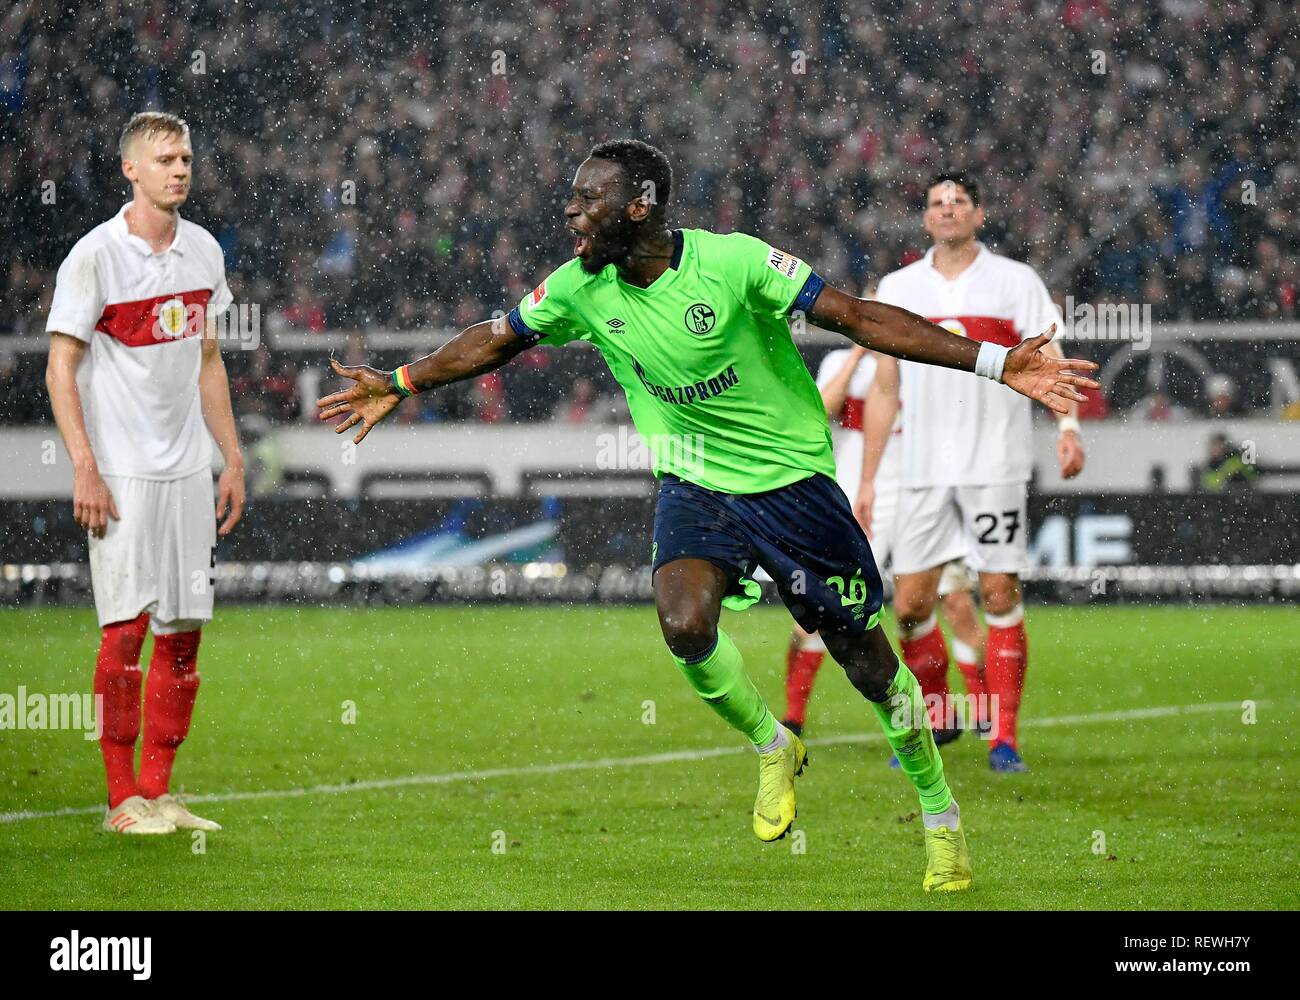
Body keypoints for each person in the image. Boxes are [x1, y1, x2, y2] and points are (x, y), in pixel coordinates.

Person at [317, 140, 1097, 891]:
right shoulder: (580, 287)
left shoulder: (734, 261)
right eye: (573, 198)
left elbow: (859, 318)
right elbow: (496, 340)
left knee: (865, 663)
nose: (571, 211)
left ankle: (939, 809)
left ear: (639, 206)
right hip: (694, 481)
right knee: (685, 622)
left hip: (793, 484)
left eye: (589, 199)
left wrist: (997, 363)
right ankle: (773, 742)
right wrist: (401, 381)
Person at [45, 112, 244, 834]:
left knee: (184, 633)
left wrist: (232, 457)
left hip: (190, 468)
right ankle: (119, 799)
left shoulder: (204, 252)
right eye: (164, 159)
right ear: (131, 169)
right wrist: (86, 468)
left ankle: (159, 792)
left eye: (186, 156)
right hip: (124, 473)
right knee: (125, 634)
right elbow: (60, 368)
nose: (180, 169)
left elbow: (209, 361)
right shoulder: (94, 256)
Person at [863, 172, 1088, 773]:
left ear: (978, 214)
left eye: (959, 201)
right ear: (925, 218)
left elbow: (1048, 358)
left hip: (994, 464)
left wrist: (1068, 428)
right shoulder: (899, 286)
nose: (948, 209)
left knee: (997, 592)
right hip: (919, 473)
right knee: (909, 607)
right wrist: (867, 479)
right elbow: (884, 391)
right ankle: (936, 719)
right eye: (937, 202)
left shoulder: (1015, 281)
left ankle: (1004, 738)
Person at [780, 345, 985, 747]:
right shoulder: (840, 362)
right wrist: (858, 356)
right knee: (822, 608)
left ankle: (977, 712)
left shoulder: (924, 359)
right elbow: (819, 411)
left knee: (956, 604)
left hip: (925, 494)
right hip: (859, 497)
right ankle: (793, 715)